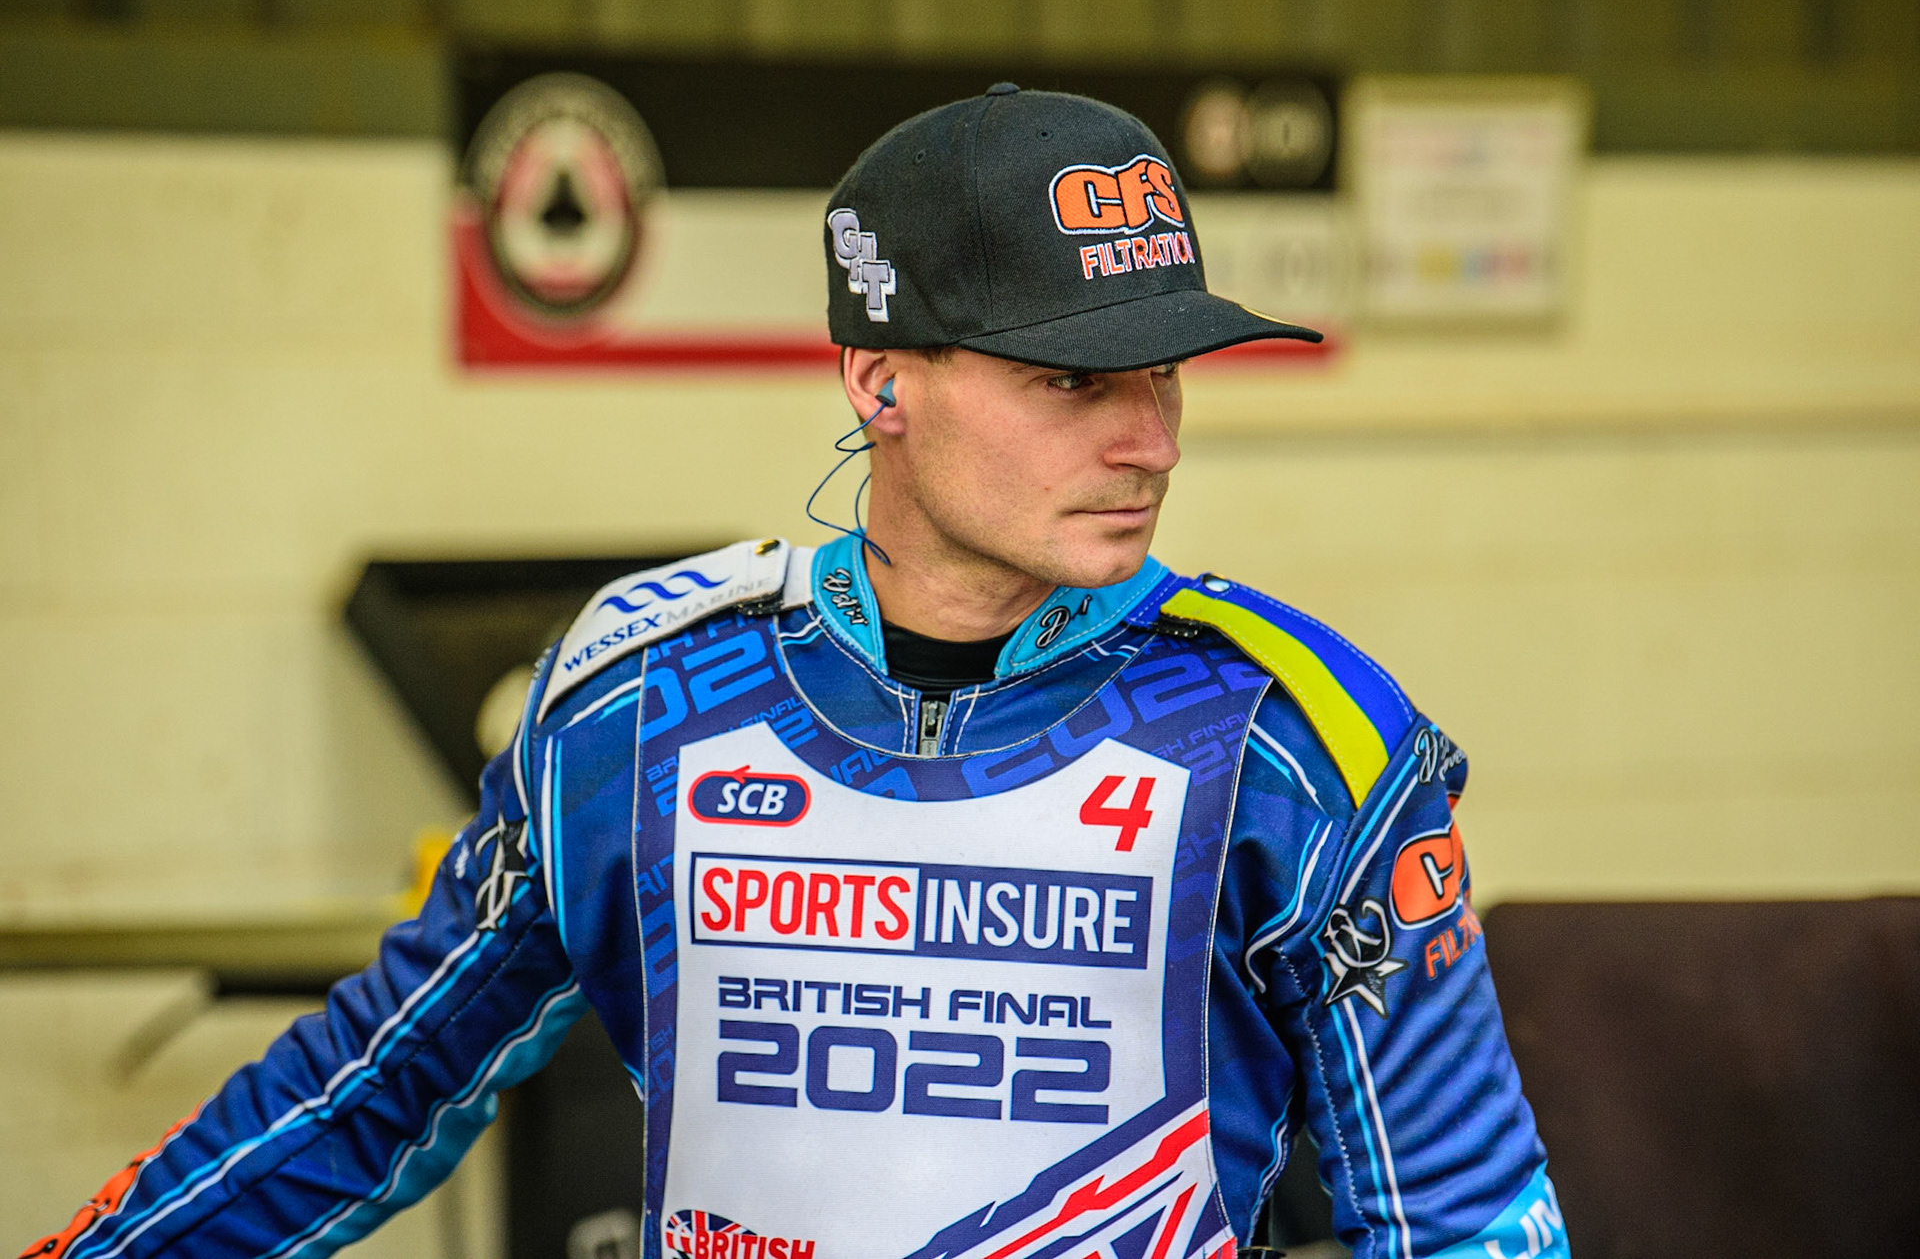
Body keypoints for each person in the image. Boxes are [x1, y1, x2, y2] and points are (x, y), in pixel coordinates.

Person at [24, 86, 1567, 1259]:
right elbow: (368, 1089)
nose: (1149, 436)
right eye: (1073, 377)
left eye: (1165, 372)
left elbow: (1468, 1215)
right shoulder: (635, 701)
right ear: (879, 378)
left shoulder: (1304, 744)